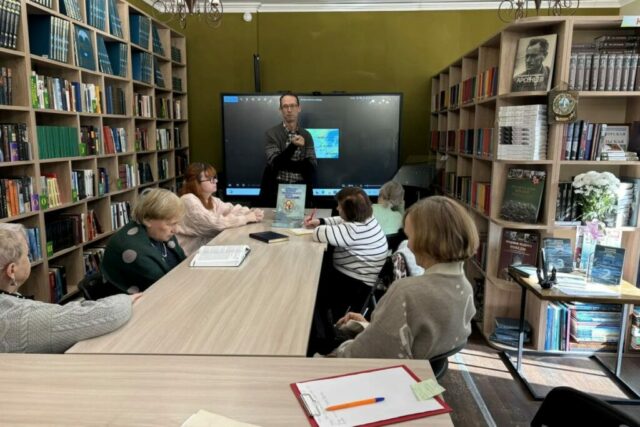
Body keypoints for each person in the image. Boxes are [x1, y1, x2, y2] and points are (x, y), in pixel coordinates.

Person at [332, 196, 478, 359]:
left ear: (429, 241)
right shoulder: (465, 287)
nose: (408, 245)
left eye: (410, 237)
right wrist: (371, 326)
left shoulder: (406, 292)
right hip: (420, 367)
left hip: (388, 369)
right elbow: (420, 338)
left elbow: (362, 354)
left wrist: (338, 349)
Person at [0, 223, 139, 353]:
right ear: (12, 270)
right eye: (27, 255)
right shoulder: (19, 317)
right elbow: (109, 314)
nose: (29, 259)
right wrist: (127, 299)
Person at [304, 187, 388, 321]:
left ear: (350, 212)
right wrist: (321, 221)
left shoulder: (353, 230)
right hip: (362, 276)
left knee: (310, 282)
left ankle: (317, 322)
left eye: (340, 206)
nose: (337, 208)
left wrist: (318, 227)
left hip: (354, 284)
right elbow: (341, 220)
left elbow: (318, 233)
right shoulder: (368, 219)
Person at [101, 188, 186, 293]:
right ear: (147, 219)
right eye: (171, 224)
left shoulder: (158, 232)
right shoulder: (133, 248)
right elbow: (164, 288)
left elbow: (183, 265)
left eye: (177, 223)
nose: (176, 230)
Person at [175, 162, 264, 255]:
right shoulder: (188, 200)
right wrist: (246, 218)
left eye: (215, 178)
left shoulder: (212, 200)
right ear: (196, 183)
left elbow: (233, 209)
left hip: (205, 252)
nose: (216, 181)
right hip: (188, 257)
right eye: (210, 179)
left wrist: (252, 212)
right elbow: (214, 225)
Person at [262, 92, 317, 207]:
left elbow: (311, 167)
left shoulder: (306, 135)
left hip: (301, 193)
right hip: (276, 193)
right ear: (280, 110)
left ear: (299, 108)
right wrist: (293, 146)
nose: (289, 110)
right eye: (285, 106)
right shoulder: (271, 134)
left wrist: (284, 162)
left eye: (293, 106)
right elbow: (275, 163)